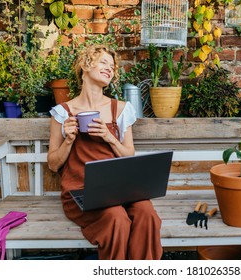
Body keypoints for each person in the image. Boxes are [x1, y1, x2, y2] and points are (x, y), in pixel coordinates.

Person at [47, 44, 163, 260]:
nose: (109, 69)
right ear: (85, 65)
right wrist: (69, 140)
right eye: (103, 63)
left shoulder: (120, 109)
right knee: (116, 217)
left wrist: (109, 137)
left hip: (120, 188)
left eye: (112, 66)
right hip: (81, 191)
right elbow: (53, 164)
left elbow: (129, 154)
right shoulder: (63, 113)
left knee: (146, 213)